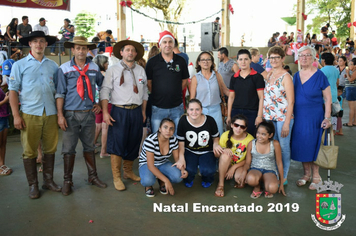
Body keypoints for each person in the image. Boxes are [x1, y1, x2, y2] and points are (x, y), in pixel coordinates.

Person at [8, 31, 61, 199]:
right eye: (35, 41)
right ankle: (33, 185)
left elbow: (59, 91)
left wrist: (60, 114)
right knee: (29, 151)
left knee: (50, 149)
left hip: (50, 113)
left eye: (42, 41)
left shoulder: (53, 66)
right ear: (29, 44)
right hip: (29, 113)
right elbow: (13, 91)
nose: (39, 44)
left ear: (46, 44)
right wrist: (16, 115)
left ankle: (48, 181)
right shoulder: (19, 65)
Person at [56, 36, 107, 196]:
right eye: (78, 48)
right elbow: (60, 93)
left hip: (88, 115)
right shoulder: (64, 69)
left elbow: (102, 86)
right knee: (68, 149)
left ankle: (92, 176)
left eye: (84, 48)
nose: (81, 51)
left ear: (87, 50)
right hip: (70, 114)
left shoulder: (94, 68)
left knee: (90, 147)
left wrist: (98, 103)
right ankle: (67, 181)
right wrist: (60, 115)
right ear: (73, 49)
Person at [100, 39, 147, 191]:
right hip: (119, 111)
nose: (130, 53)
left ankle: (127, 171)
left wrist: (143, 111)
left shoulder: (140, 70)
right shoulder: (112, 70)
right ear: (121, 53)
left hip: (136, 111)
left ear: (136, 53)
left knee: (133, 142)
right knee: (117, 143)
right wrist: (106, 112)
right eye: (127, 50)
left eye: (133, 50)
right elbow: (105, 90)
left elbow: (145, 92)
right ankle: (117, 176)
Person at [292, 46, 332, 190]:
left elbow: (328, 98)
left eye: (307, 55)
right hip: (299, 116)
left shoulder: (320, 75)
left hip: (315, 116)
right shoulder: (296, 75)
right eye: (301, 55)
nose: (304, 58)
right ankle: (306, 174)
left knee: (315, 145)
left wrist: (327, 117)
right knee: (302, 145)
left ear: (314, 57)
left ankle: (316, 175)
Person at [145, 30, 189, 133]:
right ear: (160, 44)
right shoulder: (152, 62)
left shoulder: (181, 61)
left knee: (178, 136)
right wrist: (160, 93)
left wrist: (175, 91)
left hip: (177, 107)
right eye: (165, 42)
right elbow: (149, 83)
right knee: (157, 137)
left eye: (170, 42)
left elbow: (185, 80)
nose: (167, 45)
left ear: (174, 44)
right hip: (158, 107)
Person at [263, 46, 294, 185]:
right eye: (271, 58)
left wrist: (287, 122)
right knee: (273, 147)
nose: (274, 60)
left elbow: (291, 101)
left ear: (282, 59)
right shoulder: (269, 75)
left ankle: (284, 175)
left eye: (277, 57)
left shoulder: (286, 77)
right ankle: (275, 172)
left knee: (284, 147)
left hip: (283, 118)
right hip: (270, 117)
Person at [177, 99, 223, 188]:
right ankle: (188, 178)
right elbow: (181, 142)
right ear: (187, 110)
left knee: (208, 170)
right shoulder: (183, 121)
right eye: (191, 109)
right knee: (189, 170)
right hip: (190, 150)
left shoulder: (210, 120)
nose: (194, 112)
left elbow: (215, 137)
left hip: (207, 151)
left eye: (197, 109)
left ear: (201, 110)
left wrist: (216, 144)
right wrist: (181, 157)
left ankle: (208, 178)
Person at [139, 118, 188, 197]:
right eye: (165, 127)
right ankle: (149, 186)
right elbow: (151, 166)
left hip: (163, 162)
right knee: (148, 181)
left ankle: (160, 179)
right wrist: (167, 180)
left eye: (171, 129)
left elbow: (176, 158)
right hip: (147, 163)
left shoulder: (174, 140)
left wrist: (182, 169)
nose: (168, 131)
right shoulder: (150, 141)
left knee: (178, 177)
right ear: (160, 129)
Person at [238, 121, 286, 199]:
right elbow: (247, 162)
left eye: (263, 134)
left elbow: (279, 163)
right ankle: (258, 186)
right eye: (258, 133)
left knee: (273, 189)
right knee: (250, 179)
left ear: (270, 135)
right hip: (255, 169)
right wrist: (244, 172)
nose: (259, 136)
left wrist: (281, 183)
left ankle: (266, 183)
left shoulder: (275, 144)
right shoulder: (252, 143)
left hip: (270, 170)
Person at [189, 51, 229, 136]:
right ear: (199, 62)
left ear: (212, 62)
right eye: (203, 60)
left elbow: (225, 91)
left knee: (218, 134)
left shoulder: (217, 76)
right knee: (203, 135)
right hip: (201, 111)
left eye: (208, 59)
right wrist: (191, 113)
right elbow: (192, 98)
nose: (205, 62)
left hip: (216, 110)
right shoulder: (195, 78)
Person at [227, 49, 265, 137]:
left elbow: (261, 97)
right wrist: (229, 116)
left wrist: (259, 115)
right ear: (237, 61)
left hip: (252, 113)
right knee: (236, 137)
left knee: (251, 137)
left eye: (246, 59)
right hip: (236, 112)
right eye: (240, 59)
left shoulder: (257, 77)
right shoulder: (234, 78)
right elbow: (231, 97)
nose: (243, 62)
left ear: (250, 60)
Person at [215, 114, 254, 197]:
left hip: (240, 165)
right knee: (225, 155)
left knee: (239, 180)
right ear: (232, 125)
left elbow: (248, 160)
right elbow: (217, 156)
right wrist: (223, 150)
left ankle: (233, 175)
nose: (238, 129)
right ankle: (221, 184)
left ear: (245, 128)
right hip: (226, 163)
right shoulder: (225, 135)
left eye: (242, 127)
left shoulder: (250, 139)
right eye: (236, 125)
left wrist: (233, 168)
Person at [93, 54, 110, 158]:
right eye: (107, 62)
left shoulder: (93, 73)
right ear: (103, 64)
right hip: (105, 102)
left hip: (95, 102)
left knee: (98, 124)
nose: (108, 64)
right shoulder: (106, 75)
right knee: (105, 127)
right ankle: (103, 151)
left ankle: (93, 143)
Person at [321, 53, 339, 133]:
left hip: (325, 98)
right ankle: (330, 135)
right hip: (334, 95)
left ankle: (326, 137)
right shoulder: (336, 70)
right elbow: (337, 83)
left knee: (325, 117)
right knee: (330, 116)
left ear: (324, 60)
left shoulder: (322, 71)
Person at [0, 74, 11, 176]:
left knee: (3, 142)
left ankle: (2, 164)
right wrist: (5, 100)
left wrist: (6, 96)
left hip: (4, 116)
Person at [344, 58, 356, 126]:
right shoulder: (353, 71)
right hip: (352, 89)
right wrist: (348, 75)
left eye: (351, 64)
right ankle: (354, 121)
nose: (349, 65)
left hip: (351, 89)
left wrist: (347, 73)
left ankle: (350, 122)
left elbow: (351, 80)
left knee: (351, 108)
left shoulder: (354, 71)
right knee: (354, 107)